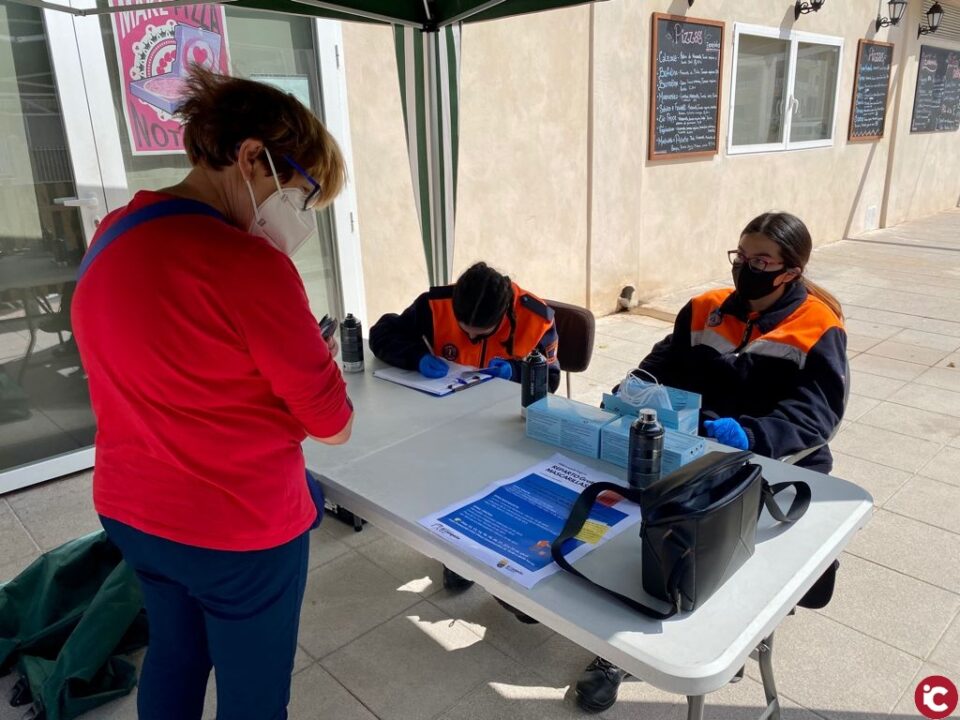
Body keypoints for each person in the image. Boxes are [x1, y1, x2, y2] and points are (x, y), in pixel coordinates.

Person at [72, 69, 353, 720]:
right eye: (301, 194)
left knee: (175, 652)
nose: (300, 217)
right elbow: (333, 424)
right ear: (252, 157)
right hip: (236, 530)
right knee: (253, 696)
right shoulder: (249, 265)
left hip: (133, 511)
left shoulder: (113, 234)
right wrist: (315, 367)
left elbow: (167, 365)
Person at [575, 211, 848, 713]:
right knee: (621, 533)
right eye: (741, 257)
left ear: (790, 270)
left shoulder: (817, 326)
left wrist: (752, 433)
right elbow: (661, 362)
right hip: (694, 452)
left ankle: (718, 639)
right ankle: (613, 650)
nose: (747, 268)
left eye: (762, 260)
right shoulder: (705, 308)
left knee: (701, 559)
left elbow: (818, 416)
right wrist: (632, 389)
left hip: (768, 464)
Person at [370, 260, 560, 592]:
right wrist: (414, 356)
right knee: (447, 483)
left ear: (504, 315)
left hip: (505, 427)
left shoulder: (536, 320)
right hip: (446, 422)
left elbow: (553, 379)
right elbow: (383, 333)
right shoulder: (436, 305)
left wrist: (515, 374)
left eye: (481, 332)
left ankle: (509, 565)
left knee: (501, 491)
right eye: (464, 328)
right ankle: (456, 557)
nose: (470, 337)